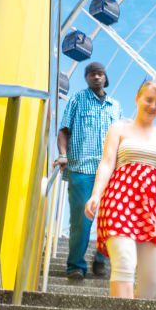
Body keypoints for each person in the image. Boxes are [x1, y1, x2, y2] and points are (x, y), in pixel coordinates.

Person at [85, 80, 156, 299]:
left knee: (151, 280)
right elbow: (107, 163)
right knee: (124, 261)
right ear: (137, 98)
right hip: (121, 199)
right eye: (148, 99)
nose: (152, 106)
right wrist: (96, 194)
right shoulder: (119, 128)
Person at [55, 61, 121, 281]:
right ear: (86, 78)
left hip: (110, 172)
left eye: (99, 73)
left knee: (112, 219)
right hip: (81, 168)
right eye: (91, 74)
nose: (95, 77)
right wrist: (63, 155)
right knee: (81, 221)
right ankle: (75, 266)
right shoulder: (76, 100)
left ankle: (101, 259)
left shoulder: (115, 107)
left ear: (105, 78)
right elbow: (64, 131)